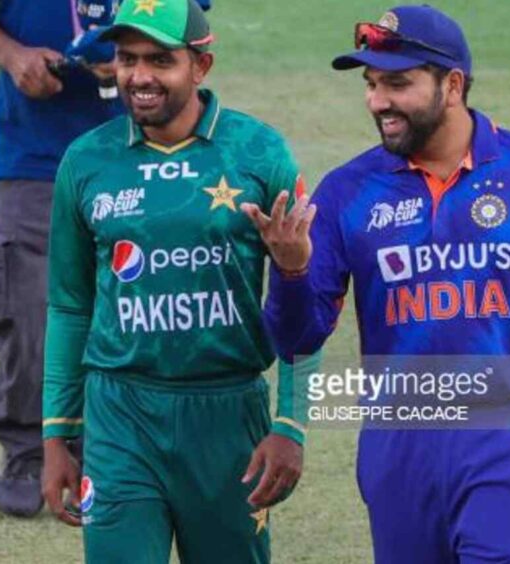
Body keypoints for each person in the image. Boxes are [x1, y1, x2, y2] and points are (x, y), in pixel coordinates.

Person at [247, 5, 510, 563]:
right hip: (397, 445)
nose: (378, 101)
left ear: (452, 85)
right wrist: (289, 272)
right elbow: (296, 339)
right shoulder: (347, 192)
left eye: (398, 83)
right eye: (372, 84)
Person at [40, 0, 313, 561]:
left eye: (159, 60)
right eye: (125, 59)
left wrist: (291, 422)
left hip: (227, 415)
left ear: (200, 66)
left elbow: (301, 292)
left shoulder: (260, 152)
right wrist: (56, 434)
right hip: (119, 415)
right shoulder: (86, 160)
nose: (139, 77)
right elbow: (70, 305)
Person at [0, 0, 123, 517]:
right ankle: (26, 452)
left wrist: (140, 57)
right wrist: (13, 55)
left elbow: (190, 24)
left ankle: (108, 456)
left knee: (130, 304)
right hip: (35, 148)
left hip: (139, 142)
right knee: (27, 308)